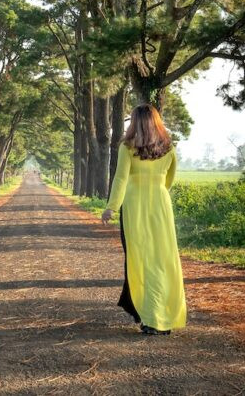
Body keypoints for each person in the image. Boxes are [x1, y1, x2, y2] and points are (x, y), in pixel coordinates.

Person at [101, 103, 187, 335]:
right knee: (163, 261)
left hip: (135, 206)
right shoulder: (169, 147)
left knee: (141, 261)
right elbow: (170, 178)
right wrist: (159, 192)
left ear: (135, 123)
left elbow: (120, 179)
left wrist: (111, 207)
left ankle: (149, 317)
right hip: (161, 206)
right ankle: (164, 317)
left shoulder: (127, 147)